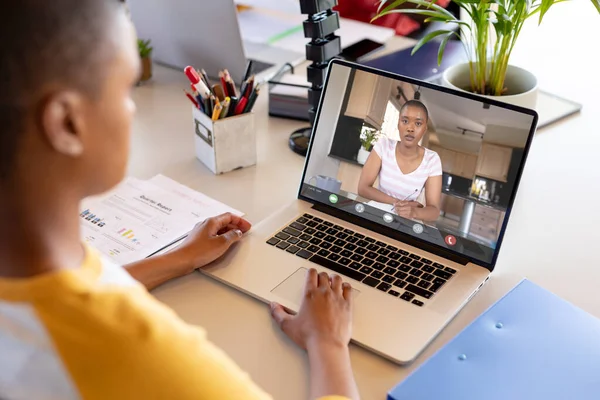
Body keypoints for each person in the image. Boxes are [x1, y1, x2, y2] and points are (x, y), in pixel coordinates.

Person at [0, 2, 359, 399]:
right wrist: (328, 345)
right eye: (125, 88)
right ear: (67, 124)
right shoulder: (140, 354)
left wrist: (177, 258)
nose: (133, 108)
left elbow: (59, 296)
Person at [358, 100, 442, 222]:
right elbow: (363, 188)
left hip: (405, 221)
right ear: (398, 123)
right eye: (405, 121)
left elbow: (434, 211)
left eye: (418, 124)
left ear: (424, 128)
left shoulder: (432, 160)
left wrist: (414, 211)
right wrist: (397, 203)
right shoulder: (383, 145)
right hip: (376, 213)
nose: (410, 128)